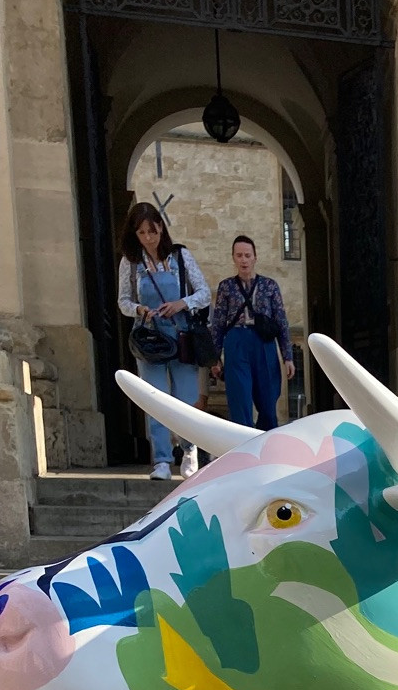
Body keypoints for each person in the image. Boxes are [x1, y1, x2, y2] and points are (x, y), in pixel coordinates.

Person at [116, 203, 211, 481]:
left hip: (181, 334)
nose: (149, 238)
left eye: (153, 231)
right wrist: (139, 309)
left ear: (161, 228)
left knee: (186, 397)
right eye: (142, 232)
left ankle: (189, 449)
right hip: (149, 338)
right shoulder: (130, 263)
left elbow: (204, 292)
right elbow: (123, 301)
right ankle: (161, 459)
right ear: (134, 234)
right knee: (154, 398)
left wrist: (182, 303)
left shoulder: (181, 256)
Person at [209, 235, 294, 432]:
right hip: (236, 342)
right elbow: (218, 323)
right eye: (239, 255)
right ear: (233, 258)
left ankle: (267, 446)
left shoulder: (270, 286)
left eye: (247, 255)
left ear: (255, 257)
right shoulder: (226, 287)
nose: (244, 260)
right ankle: (244, 445)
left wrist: (287, 356)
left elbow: (281, 321)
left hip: (263, 343)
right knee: (240, 400)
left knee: (268, 400)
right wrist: (215, 358)